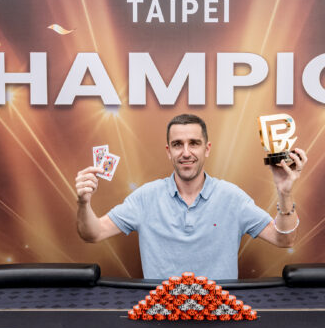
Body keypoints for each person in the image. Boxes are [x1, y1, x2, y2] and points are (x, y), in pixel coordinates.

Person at [75, 113, 307, 279]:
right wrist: (84, 203)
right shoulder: (145, 197)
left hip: (219, 317)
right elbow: (93, 233)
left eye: (194, 143)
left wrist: (284, 192)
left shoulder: (232, 197)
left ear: (207, 149)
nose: (186, 153)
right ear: (169, 151)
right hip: (160, 317)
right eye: (178, 144)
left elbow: (284, 240)